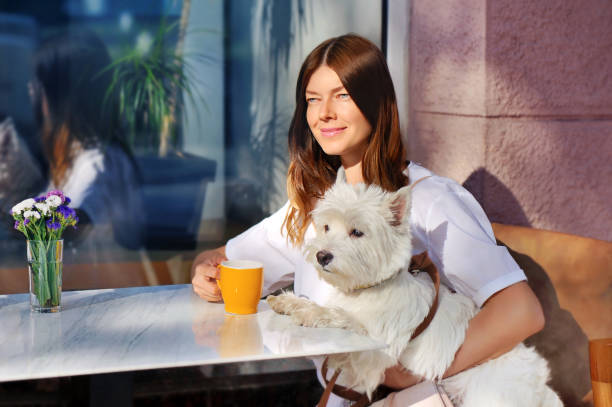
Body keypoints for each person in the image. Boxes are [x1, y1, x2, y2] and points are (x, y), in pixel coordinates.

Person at [191, 34, 544, 405]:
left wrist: (409, 372)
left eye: (342, 95)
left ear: (376, 103)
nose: (324, 112)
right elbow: (222, 259)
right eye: (313, 99)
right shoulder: (317, 208)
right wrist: (205, 273)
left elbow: (520, 311)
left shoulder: (428, 201)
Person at [29, 29, 144, 253]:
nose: (31, 92)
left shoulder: (97, 163)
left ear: (58, 98)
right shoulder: (76, 154)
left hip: (99, 283)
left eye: (38, 86)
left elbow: (71, 227)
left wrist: (12, 217)